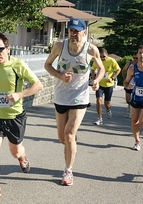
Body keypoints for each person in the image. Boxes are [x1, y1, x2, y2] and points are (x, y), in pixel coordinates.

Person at [0, 32, 43, 200]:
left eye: (0, 49)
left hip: (15, 116)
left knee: (15, 151)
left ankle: (22, 158)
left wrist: (19, 95)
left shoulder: (17, 65)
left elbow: (38, 85)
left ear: (8, 48)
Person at [44, 18, 105, 186]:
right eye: (71, 30)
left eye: (77, 31)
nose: (73, 34)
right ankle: (71, 142)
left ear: (84, 32)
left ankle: (68, 171)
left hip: (80, 96)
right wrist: (60, 76)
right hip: (61, 96)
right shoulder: (59, 46)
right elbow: (47, 65)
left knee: (69, 134)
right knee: (63, 138)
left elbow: (101, 68)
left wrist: (97, 80)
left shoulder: (91, 50)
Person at [91, 47, 121, 125]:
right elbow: (92, 69)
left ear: (107, 55)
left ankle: (108, 109)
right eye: (100, 57)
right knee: (98, 100)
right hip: (100, 84)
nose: (102, 58)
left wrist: (112, 78)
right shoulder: (97, 61)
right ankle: (99, 118)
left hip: (109, 85)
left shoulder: (112, 61)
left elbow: (118, 69)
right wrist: (95, 80)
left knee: (107, 103)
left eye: (104, 56)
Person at [122, 54, 138, 118]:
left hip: (135, 85)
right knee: (127, 100)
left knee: (133, 98)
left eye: (136, 58)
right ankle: (129, 106)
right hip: (128, 83)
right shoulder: (129, 63)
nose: (135, 59)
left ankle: (132, 112)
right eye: (134, 58)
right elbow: (123, 70)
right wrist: (124, 78)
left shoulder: (140, 65)